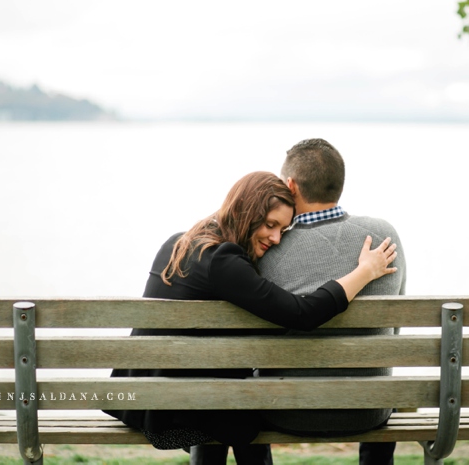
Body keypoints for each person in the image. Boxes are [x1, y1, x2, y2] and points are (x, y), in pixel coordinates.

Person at [104, 171, 399, 465]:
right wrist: (366, 272)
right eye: (270, 225)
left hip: (142, 400)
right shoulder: (224, 261)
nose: (275, 238)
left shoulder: (179, 242)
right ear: (246, 211)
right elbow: (302, 313)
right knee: (250, 408)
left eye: (282, 230)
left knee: (240, 392)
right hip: (175, 414)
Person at [259, 139, 406, 465]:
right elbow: (395, 327)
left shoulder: (269, 247)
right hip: (368, 410)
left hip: (286, 411)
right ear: (337, 185)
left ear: (290, 186)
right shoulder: (384, 236)